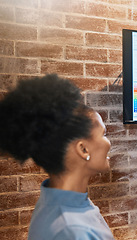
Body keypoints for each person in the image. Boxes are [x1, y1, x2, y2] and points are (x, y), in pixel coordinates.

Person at [0, 74, 114, 239]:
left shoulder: (58, 200)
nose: (108, 143)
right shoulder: (72, 231)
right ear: (83, 149)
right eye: (103, 134)